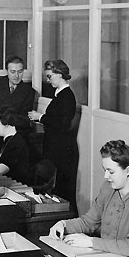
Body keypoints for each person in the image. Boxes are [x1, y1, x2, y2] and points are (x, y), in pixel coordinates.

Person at [28, 59, 78, 212]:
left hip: (63, 150)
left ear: (60, 74)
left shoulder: (66, 96)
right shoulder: (60, 95)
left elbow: (63, 124)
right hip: (57, 147)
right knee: (56, 190)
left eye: (50, 76)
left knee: (63, 191)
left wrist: (40, 117)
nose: (48, 80)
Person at [0, 105, 30, 184]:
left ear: (6, 122)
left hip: (14, 185)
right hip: (3, 182)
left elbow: (1, 169)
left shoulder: (17, 143)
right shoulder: (1, 140)